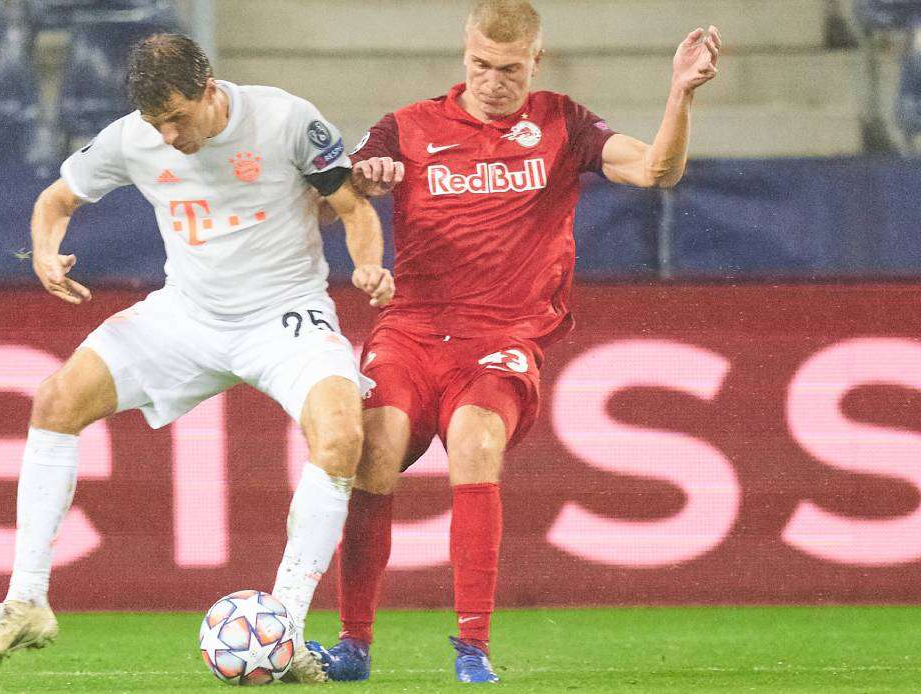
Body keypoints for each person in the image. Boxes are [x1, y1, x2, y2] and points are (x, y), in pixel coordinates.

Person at [0, 33, 394, 684]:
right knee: (55, 401)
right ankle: (26, 601)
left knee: (341, 437)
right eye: (156, 123)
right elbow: (56, 201)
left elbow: (351, 207)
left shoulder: (285, 120)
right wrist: (45, 252)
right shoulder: (132, 138)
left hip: (285, 315)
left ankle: (286, 630)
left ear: (210, 90)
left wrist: (366, 265)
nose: (167, 135)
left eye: (177, 119)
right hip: (186, 314)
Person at [308, 0, 721, 684]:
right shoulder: (406, 127)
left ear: (536, 59)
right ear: (463, 54)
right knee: (372, 451)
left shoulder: (564, 122)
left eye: (507, 68)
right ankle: (354, 646)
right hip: (411, 328)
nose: (492, 80)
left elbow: (656, 171)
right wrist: (362, 182)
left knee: (475, 440)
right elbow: (330, 205)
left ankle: (472, 647)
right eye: (479, 65)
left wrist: (679, 94)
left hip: (501, 336)